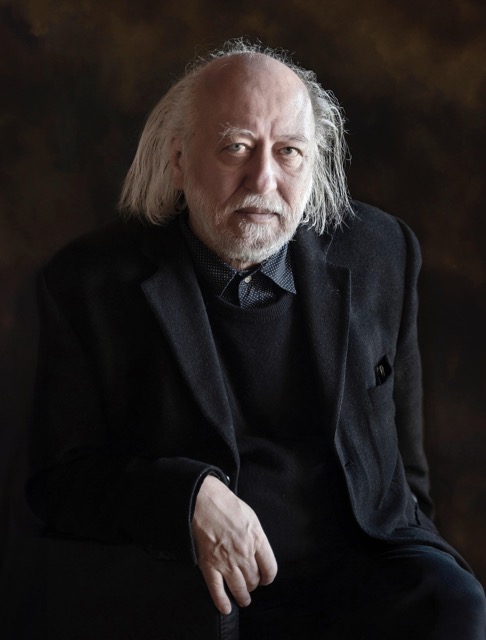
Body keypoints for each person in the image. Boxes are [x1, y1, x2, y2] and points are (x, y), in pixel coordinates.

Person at [28, 39, 485, 639]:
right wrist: (187, 496)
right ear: (178, 160)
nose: (263, 178)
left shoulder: (382, 252)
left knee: (452, 600)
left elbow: (406, 475)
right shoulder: (88, 284)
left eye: (288, 151)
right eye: (236, 147)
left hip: (363, 576)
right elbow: (57, 484)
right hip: (202, 587)